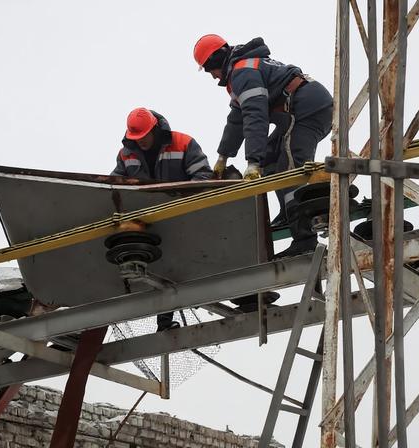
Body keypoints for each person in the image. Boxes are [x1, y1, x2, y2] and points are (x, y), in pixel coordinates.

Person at [193, 34, 334, 258]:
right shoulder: (240, 72)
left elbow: (255, 117)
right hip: (298, 109)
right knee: (270, 157)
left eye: (210, 70)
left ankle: (305, 240)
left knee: (289, 170)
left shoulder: (242, 72)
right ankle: (289, 214)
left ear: (215, 61)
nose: (212, 76)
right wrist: (223, 157)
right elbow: (237, 120)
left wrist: (252, 163)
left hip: (308, 108)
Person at [111, 107, 213, 330]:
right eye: (136, 137)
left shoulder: (183, 143)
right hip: (148, 225)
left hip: (182, 217)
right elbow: (115, 187)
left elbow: (203, 177)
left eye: (144, 136)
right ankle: (164, 323)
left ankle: (245, 296)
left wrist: (180, 199)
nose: (141, 141)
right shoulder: (126, 154)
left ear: (155, 129)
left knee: (180, 266)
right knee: (160, 267)